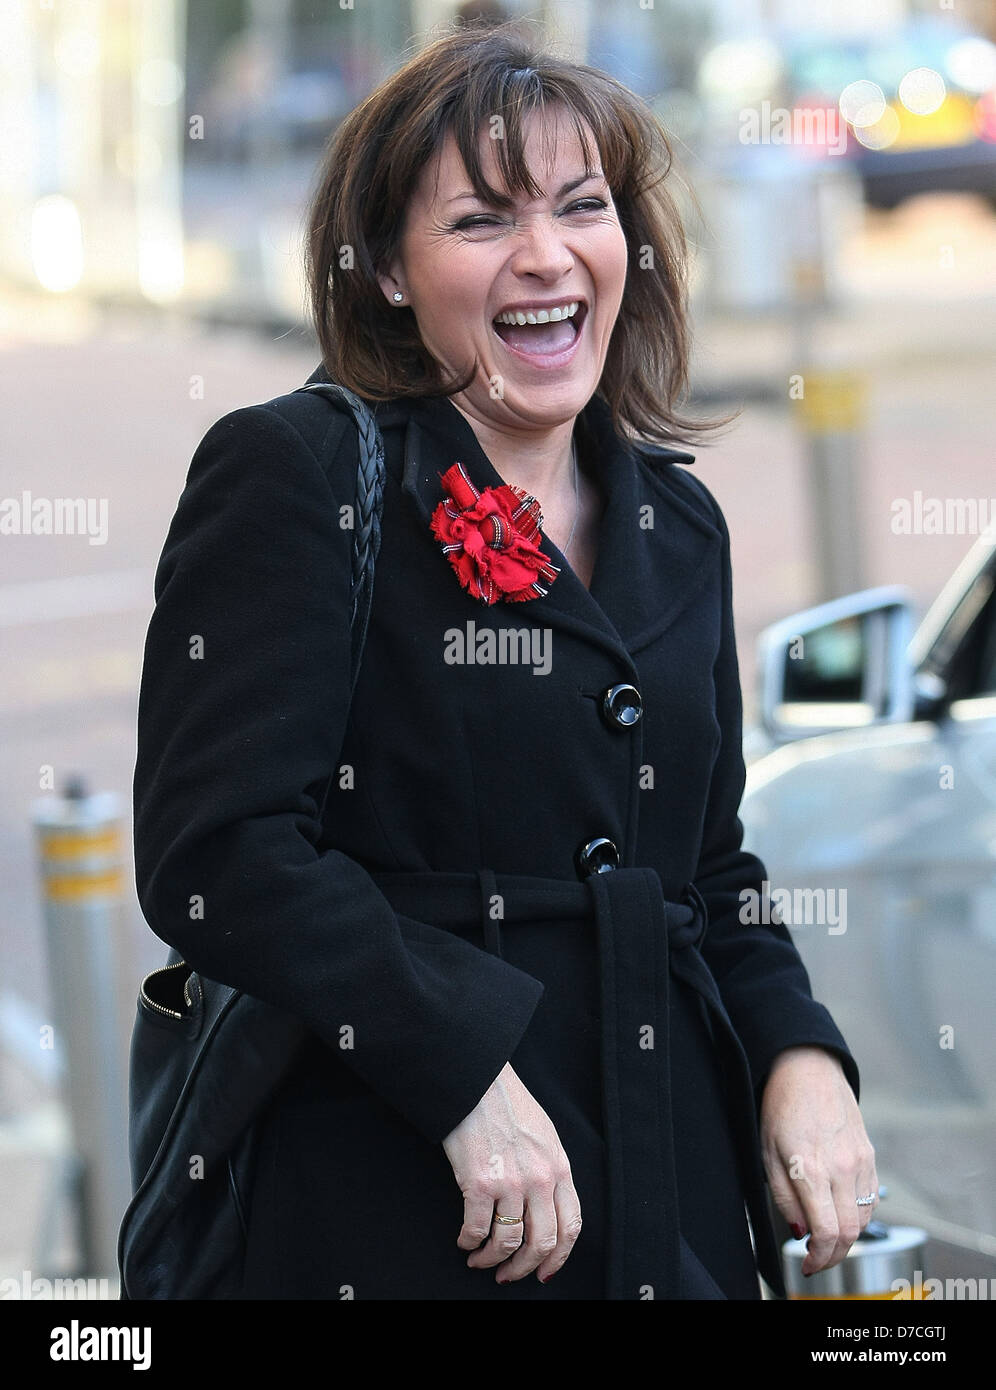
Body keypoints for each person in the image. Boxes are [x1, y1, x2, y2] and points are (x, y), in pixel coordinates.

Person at [132, 21, 878, 1300]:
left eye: (581, 206)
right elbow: (220, 855)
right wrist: (460, 1074)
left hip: (664, 1180)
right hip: (402, 1190)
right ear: (385, 274)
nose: (546, 256)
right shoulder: (302, 473)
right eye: (480, 222)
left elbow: (706, 865)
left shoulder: (676, 521)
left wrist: (799, 1056)